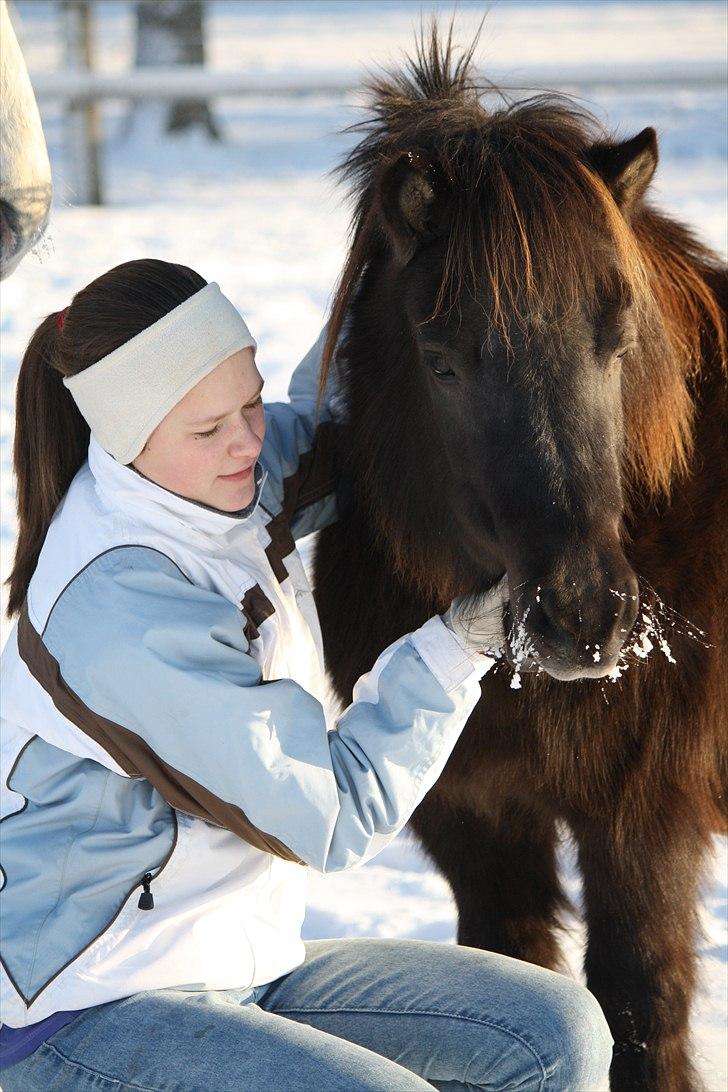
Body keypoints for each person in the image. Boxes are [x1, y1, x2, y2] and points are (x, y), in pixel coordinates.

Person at [0, 259, 612, 1091]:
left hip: (238, 960)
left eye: (248, 403)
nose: (248, 440)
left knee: (554, 1033)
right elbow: (332, 814)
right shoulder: (120, 607)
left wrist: (404, 272)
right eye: (209, 428)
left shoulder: (220, 484)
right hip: (87, 1005)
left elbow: (337, 430)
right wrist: (457, 644)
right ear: (124, 437)